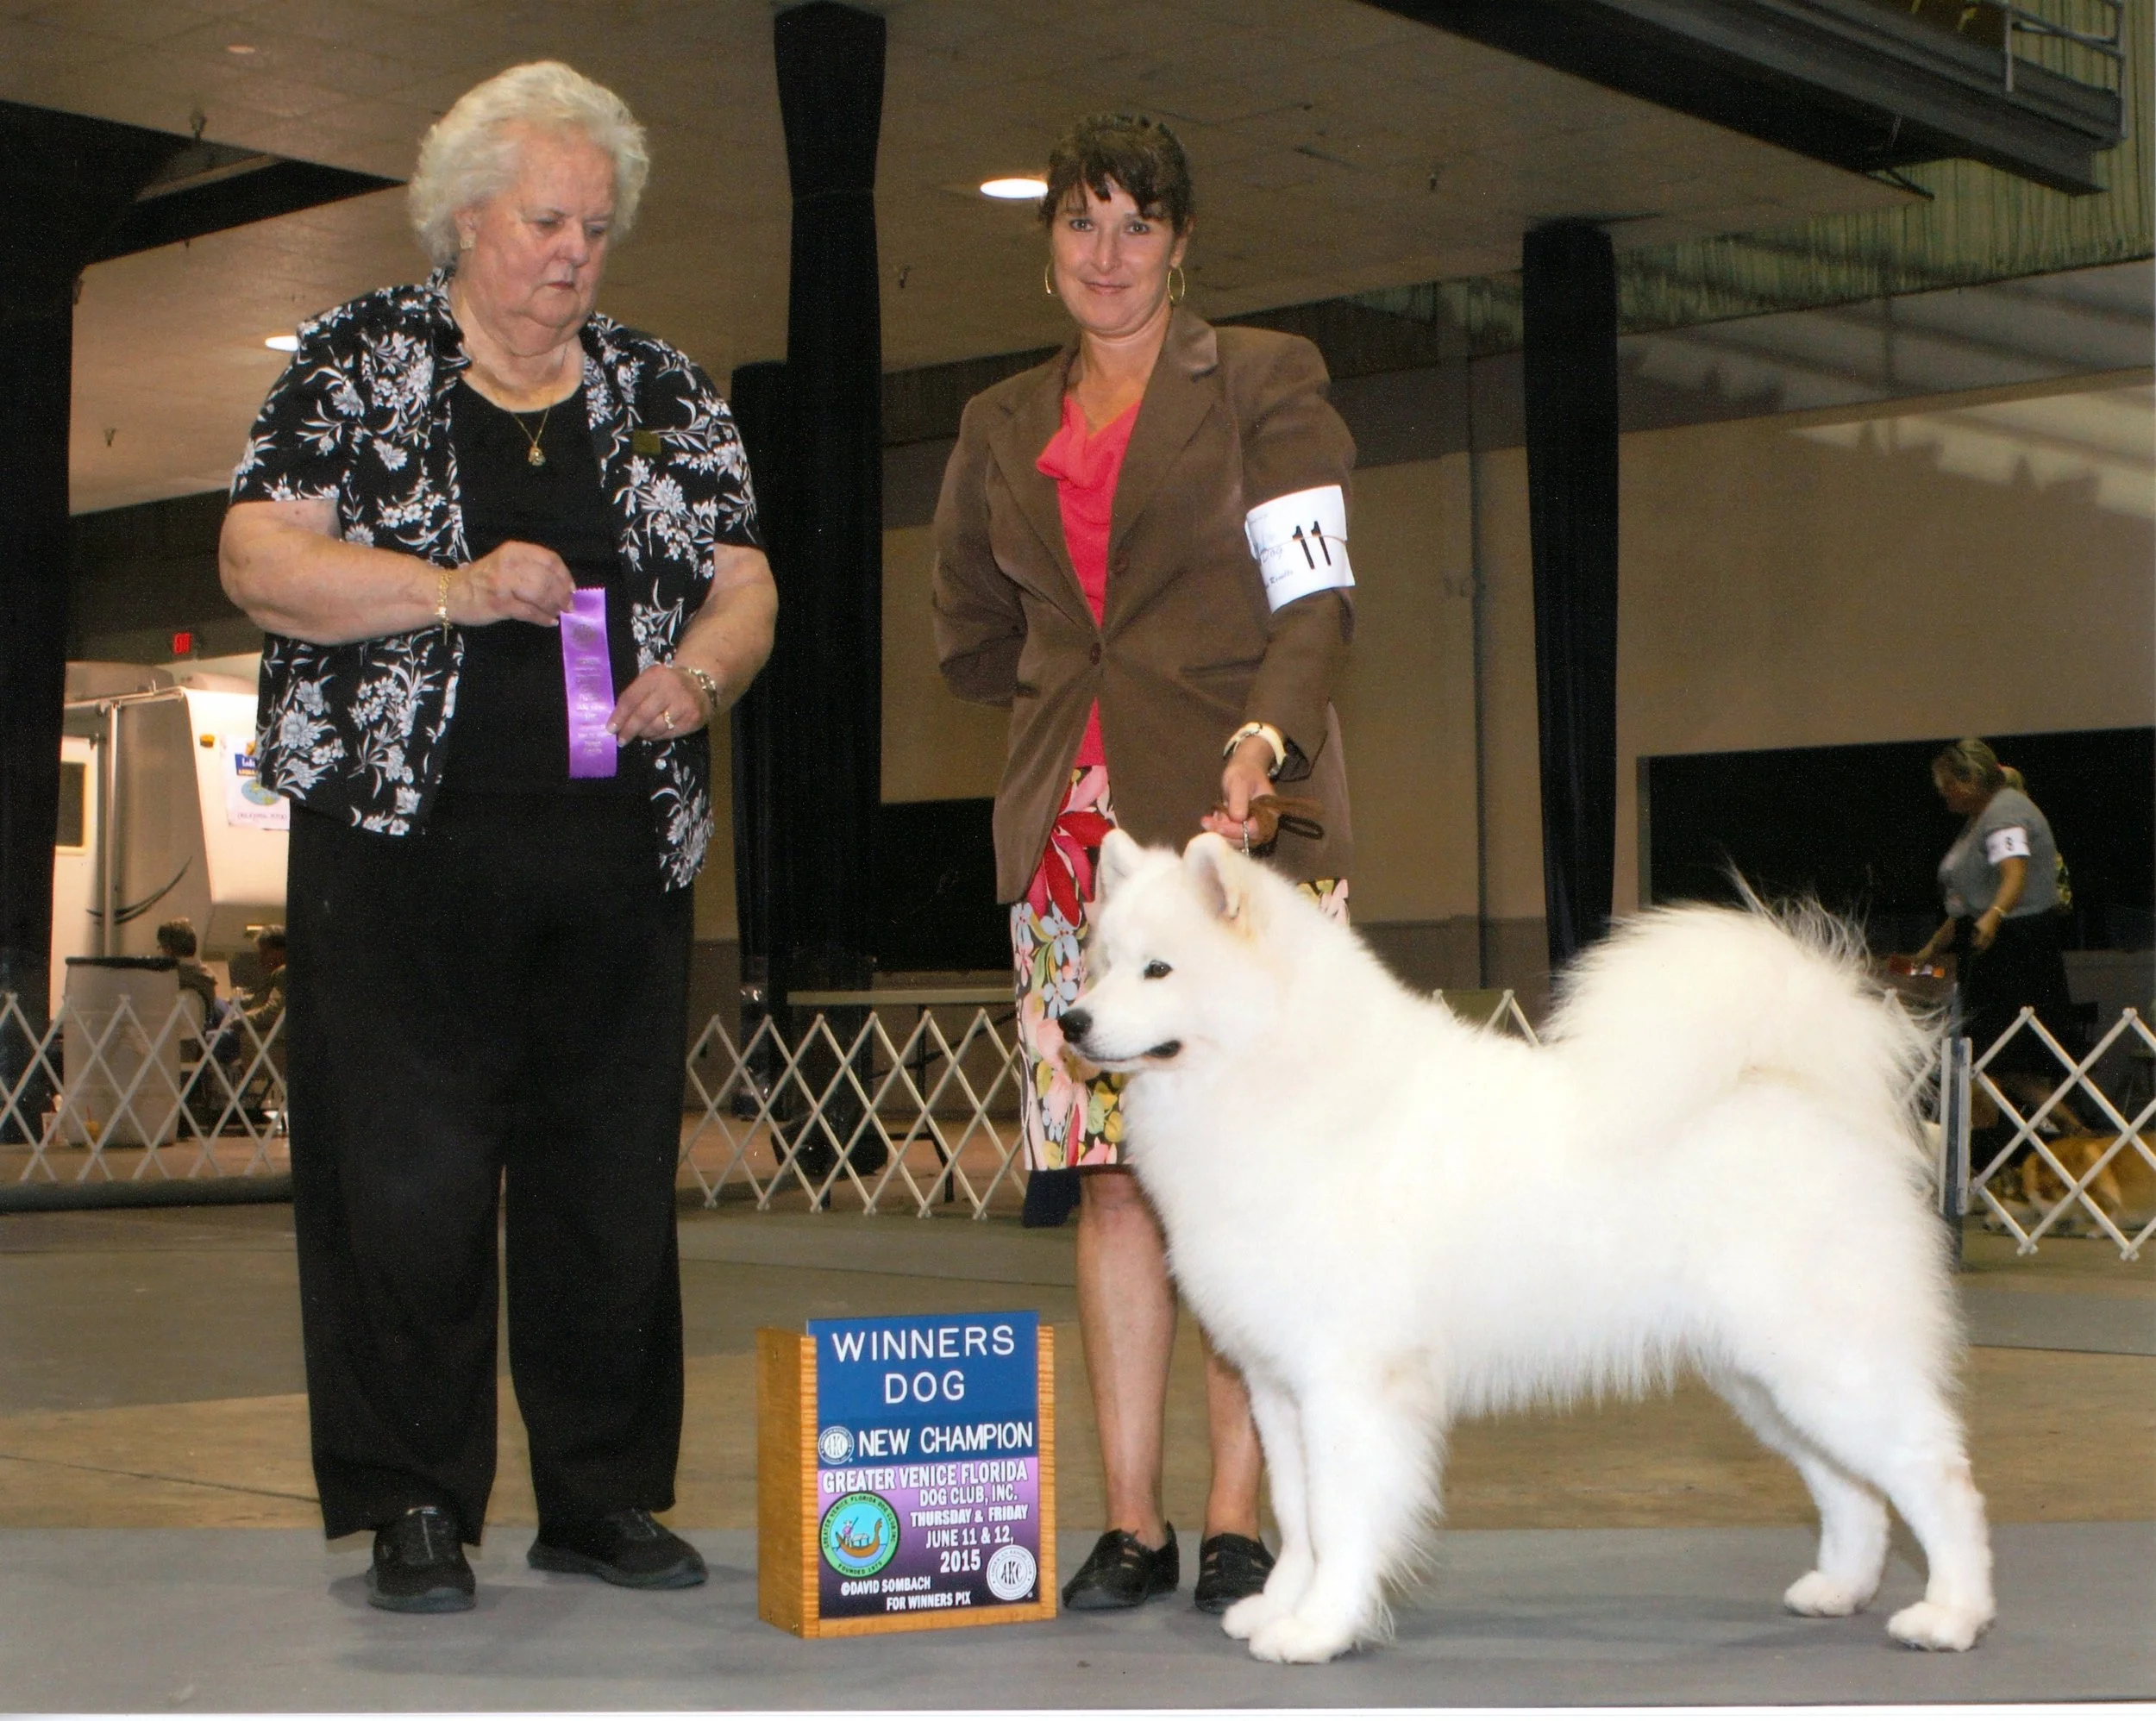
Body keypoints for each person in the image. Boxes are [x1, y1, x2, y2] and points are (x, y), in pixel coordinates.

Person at [219, 61, 775, 1615]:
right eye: (546, 221)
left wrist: (700, 675)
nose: (574, 253)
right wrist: (452, 589)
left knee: (609, 1181)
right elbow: (256, 557)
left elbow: (746, 582)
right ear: (464, 216)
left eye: (597, 228)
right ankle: (411, 1498)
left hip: (616, 849)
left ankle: (600, 1494)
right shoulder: (355, 362)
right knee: (406, 1181)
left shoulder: (661, 391)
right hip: (400, 847)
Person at [932, 113, 1355, 1616]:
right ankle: (1132, 1523)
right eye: (1079, 222)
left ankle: (1240, 1519)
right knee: (1110, 1183)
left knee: (1245, 1186)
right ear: (1047, 245)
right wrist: (1070, 689)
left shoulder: (1265, 380)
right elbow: (967, 630)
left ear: (1181, 244)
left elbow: (1316, 603)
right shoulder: (996, 422)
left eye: (1136, 223)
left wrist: (1263, 736)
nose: (1106, 254)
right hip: (1074, 842)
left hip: (1238, 838)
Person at [1910, 739, 2081, 1136]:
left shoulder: (2005, 815)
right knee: (2001, 1063)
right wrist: (1933, 946)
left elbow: (2014, 874)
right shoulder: (1981, 817)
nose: (1943, 793)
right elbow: (1968, 902)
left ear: (1970, 780)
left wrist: (1993, 918)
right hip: (1992, 944)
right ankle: (2074, 1133)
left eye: (1948, 784)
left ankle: (1983, 1149)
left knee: (1991, 1059)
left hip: (2015, 947)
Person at [154, 918, 220, 1027]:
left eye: (161, 947)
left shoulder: (169, 979)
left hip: (169, 1033)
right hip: (199, 1035)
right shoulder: (208, 978)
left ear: (168, 949)